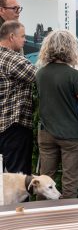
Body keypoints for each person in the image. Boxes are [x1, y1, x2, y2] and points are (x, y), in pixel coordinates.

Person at [36, 30, 78, 198]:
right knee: (69, 181)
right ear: (70, 49)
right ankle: (67, 218)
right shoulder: (73, 75)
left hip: (45, 133)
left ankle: (41, 215)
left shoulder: (40, 73)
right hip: (69, 135)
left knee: (45, 180)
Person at [0, 21, 36, 174]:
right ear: (12, 36)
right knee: (19, 180)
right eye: (22, 36)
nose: (25, 40)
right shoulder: (13, 59)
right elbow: (40, 77)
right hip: (13, 126)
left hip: (3, 124)